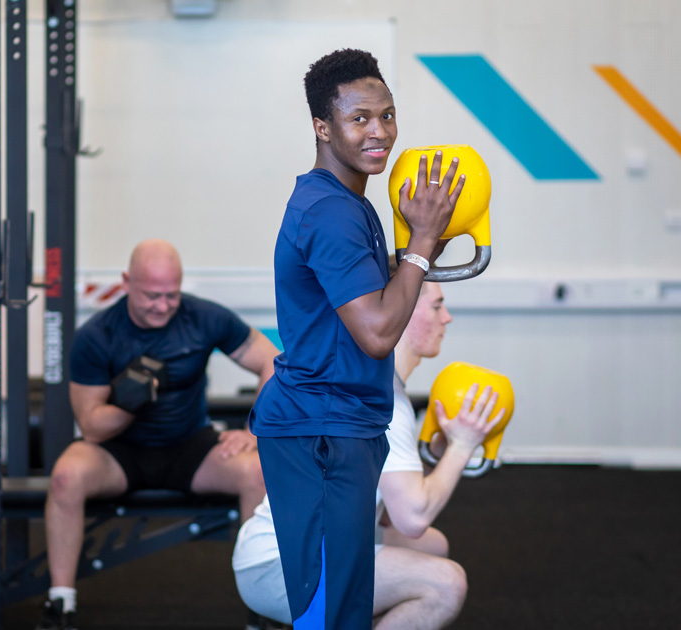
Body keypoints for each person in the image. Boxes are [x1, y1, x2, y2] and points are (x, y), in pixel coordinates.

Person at [248, 48, 466, 628]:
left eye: (388, 115)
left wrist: (422, 250)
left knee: (343, 608)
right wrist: (420, 243)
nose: (380, 132)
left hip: (342, 424)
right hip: (320, 431)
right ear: (323, 127)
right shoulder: (331, 212)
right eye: (359, 118)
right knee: (329, 615)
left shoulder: (351, 204)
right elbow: (376, 333)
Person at [234, 259, 506, 629]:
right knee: (445, 584)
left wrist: (440, 450)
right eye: (437, 305)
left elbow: (393, 509)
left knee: (433, 546)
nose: (447, 318)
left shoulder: (380, 387)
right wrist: (463, 446)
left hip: (287, 549)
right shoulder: (385, 401)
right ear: (405, 311)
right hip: (276, 563)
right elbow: (412, 517)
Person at [36, 239, 279, 630]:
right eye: (152, 296)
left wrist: (254, 428)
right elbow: (92, 425)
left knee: (258, 471)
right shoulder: (97, 336)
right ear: (126, 282)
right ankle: (60, 604)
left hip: (189, 446)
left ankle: (263, 607)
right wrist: (131, 404)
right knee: (66, 476)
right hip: (119, 452)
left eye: (171, 295)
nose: (163, 306)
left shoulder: (203, 318)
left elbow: (270, 361)